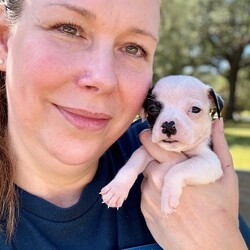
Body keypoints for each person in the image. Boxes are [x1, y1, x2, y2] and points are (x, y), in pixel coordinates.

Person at [0, 0, 248, 249]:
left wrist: (220, 239)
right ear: (3, 39)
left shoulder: (178, 162)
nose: (103, 78)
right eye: (68, 28)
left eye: (134, 48)